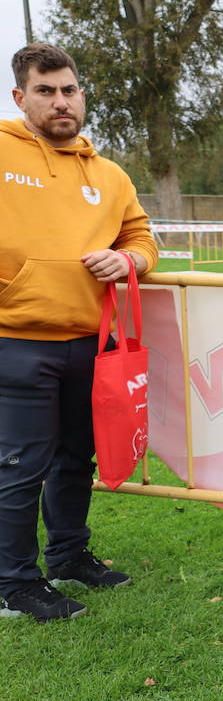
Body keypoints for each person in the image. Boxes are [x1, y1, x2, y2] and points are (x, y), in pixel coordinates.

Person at [0, 43, 158, 622]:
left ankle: (68, 556)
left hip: (89, 344)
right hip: (15, 341)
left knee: (75, 459)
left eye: (69, 89)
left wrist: (131, 263)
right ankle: (14, 585)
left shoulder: (109, 175)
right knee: (21, 465)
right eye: (46, 91)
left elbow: (141, 237)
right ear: (22, 98)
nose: (61, 101)